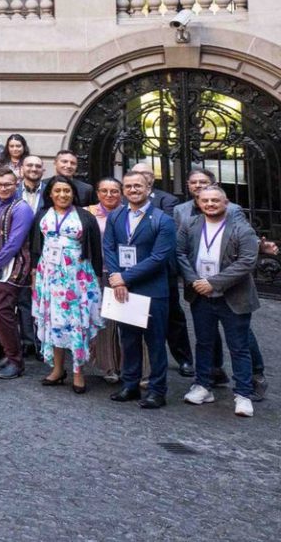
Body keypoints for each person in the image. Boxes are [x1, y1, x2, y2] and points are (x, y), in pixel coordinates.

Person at [178, 185, 261, 417]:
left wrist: (213, 283)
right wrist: (195, 281)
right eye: (205, 200)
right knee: (204, 343)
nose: (210, 204)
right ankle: (203, 386)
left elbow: (247, 262)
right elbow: (180, 253)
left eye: (215, 200)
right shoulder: (190, 225)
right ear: (198, 203)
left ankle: (243, 394)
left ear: (226, 203)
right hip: (200, 295)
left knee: (239, 347)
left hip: (232, 296)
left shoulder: (242, 228)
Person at [103, 171, 178, 408]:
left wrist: (124, 277)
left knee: (155, 343)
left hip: (152, 289)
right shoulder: (116, 216)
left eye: (138, 186)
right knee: (128, 339)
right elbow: (109, 248)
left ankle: (157, 391)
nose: (133, 190)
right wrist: (118, 280)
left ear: (148, 189)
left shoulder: (162, 220)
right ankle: (130, 385)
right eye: (128, 186)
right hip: (123, 289)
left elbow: (159, 258)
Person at [29, 175, 105, 394]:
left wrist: (97, 278)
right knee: (53, 320)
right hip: (49, 276)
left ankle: (78, 372)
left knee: (76, 323)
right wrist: (34, 274)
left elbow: (95, 249)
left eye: (67, 191)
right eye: (57, 191)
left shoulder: (85, 216)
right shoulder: (42, 214)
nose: (62, 195)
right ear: (50, 194)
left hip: (76, 278)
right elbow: (36, 246)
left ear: (73, 193)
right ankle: (57, 369)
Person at [0, 168, 34, 379]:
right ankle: (8, 353)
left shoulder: (22, 208)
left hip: (14, 265)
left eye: (7, 184)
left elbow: (15, 242)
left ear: (16, 185)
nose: (3, 188)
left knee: (2, 309)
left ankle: (16, 361)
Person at [87, 178, 126, 382]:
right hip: (98, 271)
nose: (109, 195)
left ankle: (132, 366)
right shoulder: (88, 213)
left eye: (114, 191)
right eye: (104, 191)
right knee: (105, 321)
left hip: (125, 273)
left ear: (121, 193)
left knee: (128, 320)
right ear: (97, 193)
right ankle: (109, 366)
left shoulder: (129, 212)